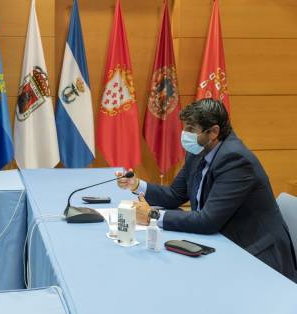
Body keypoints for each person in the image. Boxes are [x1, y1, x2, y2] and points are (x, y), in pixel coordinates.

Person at [117, 98, 297, 282]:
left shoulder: (236, 160)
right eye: (184, 127)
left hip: (257, 255)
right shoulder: (197, 150)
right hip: (223, 242)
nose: (184, 134)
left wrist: (152, 216)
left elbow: (208, 220)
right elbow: (175, 195)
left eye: (191, 129)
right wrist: (137, 185)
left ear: (214, 132)